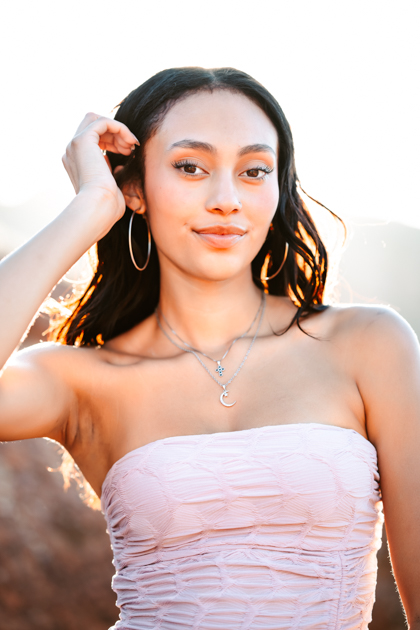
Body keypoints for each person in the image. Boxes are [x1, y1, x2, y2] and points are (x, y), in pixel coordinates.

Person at [0, 67, 419, 630]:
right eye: (190, 167)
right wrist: (89, 209)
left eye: (254, 171)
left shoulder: (368, 344)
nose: (226, 200)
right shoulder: (82, 378)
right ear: (135, 188)